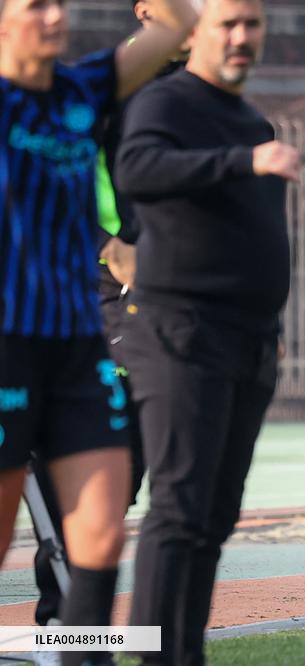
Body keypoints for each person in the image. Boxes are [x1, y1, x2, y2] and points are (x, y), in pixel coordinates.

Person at [0, 0, 199, 662]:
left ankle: (78, 649)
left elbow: (177, 26)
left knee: (101, 532)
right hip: (9, 348)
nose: (54, 16)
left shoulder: (82, 88)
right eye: (36, 6)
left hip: (80, 347)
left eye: (58, 4)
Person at [114, 0, 299, 662]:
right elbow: (136, 170)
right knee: (178, 510)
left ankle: (183, 654)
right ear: (195, 31)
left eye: (253, 23)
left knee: (214, 518)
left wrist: (270, 323)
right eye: (228, 23)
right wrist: (240, 163)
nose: (242, 36)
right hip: (182, 333)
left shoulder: (250, 120)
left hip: (249, 340)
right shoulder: (165, 102)